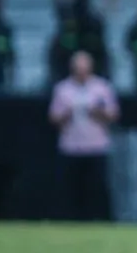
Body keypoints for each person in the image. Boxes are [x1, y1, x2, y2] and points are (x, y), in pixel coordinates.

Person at [48, 51, 120, 221]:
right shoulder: (62, 89)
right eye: (78, 68)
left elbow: (113, 116)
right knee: (72, 189)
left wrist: (96, 112)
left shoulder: (102, 88)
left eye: (84, 68)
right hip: (71, 146)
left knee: (97, 188)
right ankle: (71, 220)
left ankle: (101, 220)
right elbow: (53, 118)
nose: (81, 71)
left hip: (96, 146)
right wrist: (68, 113)